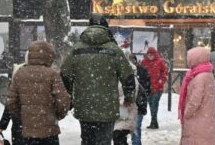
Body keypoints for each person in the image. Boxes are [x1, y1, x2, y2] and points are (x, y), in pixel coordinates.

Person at [61, 15, 135, 145]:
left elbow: (65, 75)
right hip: (107, 106)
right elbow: (128, 75)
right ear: (106, 28)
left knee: (87, 140)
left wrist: (69, 98)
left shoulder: (77, 49)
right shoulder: (114, 50)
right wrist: (129, 97)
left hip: (84, 105)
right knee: (104, 141)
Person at [7, 41, 71, 145]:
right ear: (49, 56)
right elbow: (63, 101)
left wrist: (23, 115)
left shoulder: (20, 73)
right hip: (49, 132)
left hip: (28, 133)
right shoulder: (52, 74)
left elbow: (11, 101)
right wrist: (56, 116)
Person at [178, 47, 215, 145]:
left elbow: (195, 99)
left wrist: (186, 112)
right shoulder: (205, 73)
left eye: (189, 57)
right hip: (203, 118)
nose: (188, 60)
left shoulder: (200, 76)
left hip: (197, 120)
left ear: (196, 58)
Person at [113, 50, 139, 145]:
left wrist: (121, 100)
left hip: (126, 111)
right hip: (117, 112)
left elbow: (132, 92)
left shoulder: (129, 73)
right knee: (118, 138)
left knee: (118, 136)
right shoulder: (113, 71)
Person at [139, 46, 168, 129]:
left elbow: (165, 73)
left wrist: (161, 81)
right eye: (149, 54)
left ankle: (154, 123)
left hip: (157, 88)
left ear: (155, 54)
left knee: (154, 104)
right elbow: (140, 72)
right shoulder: (144, 62)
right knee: (151, 104)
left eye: (152, 54)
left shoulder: (160, 61)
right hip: (148, 88)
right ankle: (154, 122)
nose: (150, 56)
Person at [130, 53, 151, 145]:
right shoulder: (121, 72)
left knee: (136, 128)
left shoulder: (142, 71)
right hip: (129, 104)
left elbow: (147, 87)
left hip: (138, 104)